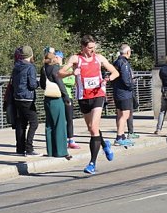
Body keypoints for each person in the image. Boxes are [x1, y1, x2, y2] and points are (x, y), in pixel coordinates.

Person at [61, 35, 120, 175]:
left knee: (94, 128)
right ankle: (105, 144)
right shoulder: (76, 59)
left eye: (94, 48)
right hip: (83, 97)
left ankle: (92, 163)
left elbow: (115, 72)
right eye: (89, 48)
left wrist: (108, 79)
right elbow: (59, 73)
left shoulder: (99, 58)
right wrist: (71, 72)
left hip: (98, 95)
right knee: (91, 128)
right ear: (83, 47)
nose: (92, 51)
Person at [40, 49, 71, 159]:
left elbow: (42, 85)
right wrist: (66, 96)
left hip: (47, 98)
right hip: (56, 99)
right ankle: (61, 151)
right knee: (60, 124)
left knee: (49, 125)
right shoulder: (55, 68)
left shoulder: (43, 69)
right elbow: (60, 83)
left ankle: (50, 151)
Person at [12, 45, 41, 157]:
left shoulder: (16, 66)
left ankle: (20, 148)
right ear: (31, 55)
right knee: (34, 122)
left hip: (17, 97)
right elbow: (32, 84)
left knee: (21, 123)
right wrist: (38, 83)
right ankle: (29, 148)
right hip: (27, 98)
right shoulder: (30, 67)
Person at [53, 50, 81, 150]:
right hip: (58, 96)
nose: (57, 59)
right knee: (60, 120)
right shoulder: (55, 68)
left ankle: (71, 140)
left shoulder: (66, 68)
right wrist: (69, 75)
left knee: (69, 119)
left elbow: (72, 82)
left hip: (68, 96)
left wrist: (68, 75)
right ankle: (61, 140)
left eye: (58, 57)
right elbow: (59, 80)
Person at [111, 44, 136, 147]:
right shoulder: (124, 63)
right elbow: (126, 79)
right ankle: (119, 137)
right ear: (127, 52)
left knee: (120, 114)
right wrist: (131, 86)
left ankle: (122, 135)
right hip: (124, 93)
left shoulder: (116, 62)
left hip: (117, 91)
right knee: (124, 115)